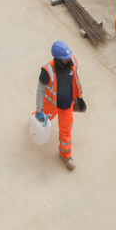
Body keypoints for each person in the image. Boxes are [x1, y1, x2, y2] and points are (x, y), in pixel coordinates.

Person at [35, 41, 83, 170]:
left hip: (67, 105)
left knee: (66, 132)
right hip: (51, 106)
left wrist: (79, 96)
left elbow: (76, 78)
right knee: (40, 120)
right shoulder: (47, 71)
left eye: (68, 56)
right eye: (65, 58)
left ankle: (65, 154)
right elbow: (40, 90)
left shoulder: (73, 60)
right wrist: (39, 110)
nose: (68, 59)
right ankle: (34, 121)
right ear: (57, 59)